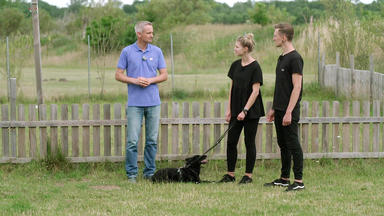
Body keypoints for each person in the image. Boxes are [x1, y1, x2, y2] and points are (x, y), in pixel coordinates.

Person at [115, 21, 168, 183]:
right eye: (148, 33)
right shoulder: (127, 52)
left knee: (151, 140)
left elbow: (164, 75)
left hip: (153, 103)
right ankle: (131, 174)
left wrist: (150, 81)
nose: (152, 35)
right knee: (132, 141)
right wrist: (134, 81)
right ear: (139, 34)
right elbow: (118, 75)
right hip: (134, 104)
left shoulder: (157, 51)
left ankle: (149, 173)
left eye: (152, 32)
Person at [218, 33, 265, 184]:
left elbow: (255, 91)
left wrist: (244, 110)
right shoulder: (235, 65)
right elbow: (232, 88)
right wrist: (229, 109)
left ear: (245, 49)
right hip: (235, 109)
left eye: (237, 47)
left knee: (249, 142)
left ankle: (248, 176)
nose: (234, 49)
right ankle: (230, 175)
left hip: (251, 111)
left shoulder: (255, 67)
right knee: (231, 142)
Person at [264, 23, 305, 191]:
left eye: (276, 35)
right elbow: (281, 87)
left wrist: (289, 111)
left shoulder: (295, 58)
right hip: (280, 109)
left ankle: (299, 181)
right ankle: (284, 178)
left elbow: (297, 87)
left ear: (284, 37)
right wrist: (275, 108)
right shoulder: (282, 57)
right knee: (283, 144)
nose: (273, 38)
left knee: (293, 144)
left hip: (289, 110)